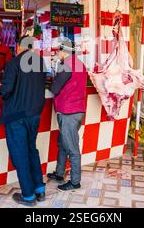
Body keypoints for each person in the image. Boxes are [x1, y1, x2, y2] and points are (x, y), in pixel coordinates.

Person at [0, 35, 47, 206]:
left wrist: (0, 90)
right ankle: (40, 189)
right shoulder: (40, 63)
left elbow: (6, 91)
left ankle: (28, 196)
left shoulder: (13, 64)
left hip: (17, 116)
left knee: (21, 154)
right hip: (35, 115)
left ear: (19, 46)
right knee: (31, 149)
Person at [47, 38, 87, 191]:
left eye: (59, 51)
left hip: (69, 111)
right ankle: (59, 173)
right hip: (76, 110)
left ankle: (75, 181)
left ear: (64, 52)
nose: (58, 54)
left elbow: (55, 88)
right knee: (63, 143)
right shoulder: (80, 64)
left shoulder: (67, 66)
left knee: (71, 147)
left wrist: (52, 81)